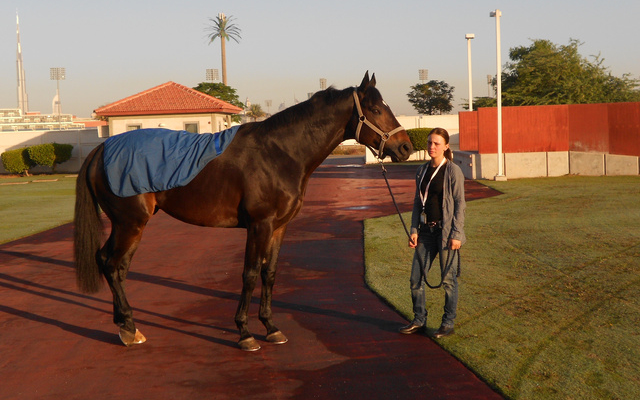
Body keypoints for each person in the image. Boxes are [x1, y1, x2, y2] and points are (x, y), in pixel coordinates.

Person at [399, 127, 466, 338]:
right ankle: (419, 319)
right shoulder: (421, 170)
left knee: (448, 281)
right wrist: (414, 229)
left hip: (446, 233)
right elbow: (418, 202)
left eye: (436, 143)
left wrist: (457, 233)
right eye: (429, 143)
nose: (432, 147)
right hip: (426, 232)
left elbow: (459, 204)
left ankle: (448, 323)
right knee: (415, 279)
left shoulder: (453, 171)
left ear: (446, 146)